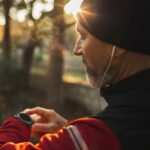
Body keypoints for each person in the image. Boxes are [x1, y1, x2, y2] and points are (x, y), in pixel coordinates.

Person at [0, 0, 150, 149]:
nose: (76, 49)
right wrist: (69, 129)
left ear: (117, 45)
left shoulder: (106, 132)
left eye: (83, 37)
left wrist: (20, 122)